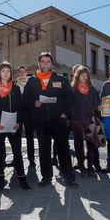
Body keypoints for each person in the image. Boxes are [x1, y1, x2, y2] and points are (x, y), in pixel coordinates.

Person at [23, 52, 78, 188]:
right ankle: (46, 177)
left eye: (48, 61)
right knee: (44, 150)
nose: (45, 63)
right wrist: (33, 103)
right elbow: (26, 100)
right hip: (41, 122)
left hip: (58, 121)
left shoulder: (61, 80)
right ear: (39, 64)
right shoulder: (32, 81)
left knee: (63, 149)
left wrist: (66, 113)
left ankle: (68, 176)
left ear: (52, 64)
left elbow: (69, 98)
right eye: (43, 61)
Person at [0, 61, 32, 191]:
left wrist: (19, 122)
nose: (6, 73)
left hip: (13, 126)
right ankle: (0, 180)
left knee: (17, 153)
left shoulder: (16, 88)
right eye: (3, 71)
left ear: (10, 73)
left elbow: (20, 107)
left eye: (8, 71)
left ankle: (22, 180)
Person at [71, 66, 100, 177]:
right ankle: (82, 167)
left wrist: (96, 109)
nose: (84, 77)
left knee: (91, 144)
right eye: (82, 75)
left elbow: (95, 103)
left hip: (89, 119)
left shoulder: (92, 90)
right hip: (77, 120)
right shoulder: (73, 89)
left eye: (86, 75)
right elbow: (69, 104)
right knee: (79, 144)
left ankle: (90, 167)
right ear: (78, 76)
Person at [17, 65, 36, 167]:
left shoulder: (31, 83)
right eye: (20, 72)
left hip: (28, 113)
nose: (22, 74)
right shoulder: (15, 83)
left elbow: (34, 97)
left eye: (24, 72)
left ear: (26, 72)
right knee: (17, 138)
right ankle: (17, 159)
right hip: (18, 114)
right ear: (17, 73)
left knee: (30, 137)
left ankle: (31, 159)